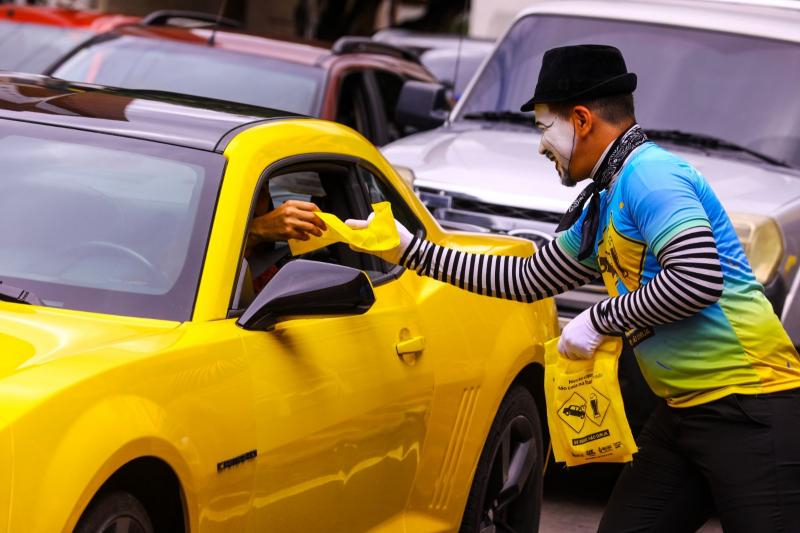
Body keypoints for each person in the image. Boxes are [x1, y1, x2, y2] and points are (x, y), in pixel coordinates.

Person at [347, 45, 800, 532]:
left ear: (581, 120)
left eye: (544, 128)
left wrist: (600, 317)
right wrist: (411, 250)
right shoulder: (608, 196)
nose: (542, 145)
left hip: (752, 405)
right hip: (684, 412)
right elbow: (526, 278)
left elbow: (697, 278)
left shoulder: (651, 176)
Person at [244, 188, 326, 295]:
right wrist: (255, 230)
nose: (253, 199)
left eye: (263, 191)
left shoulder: (268, 270)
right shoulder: (219, 257)